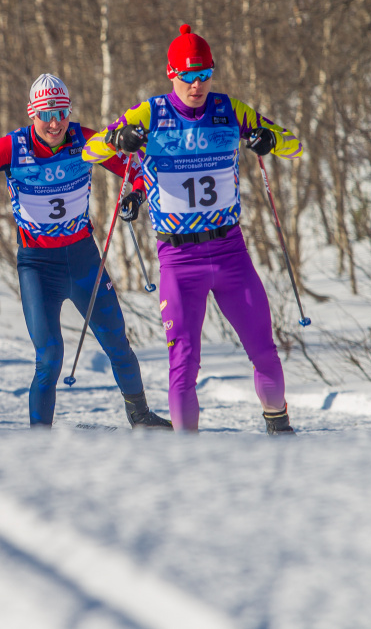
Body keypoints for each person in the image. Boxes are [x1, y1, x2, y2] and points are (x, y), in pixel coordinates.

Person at [83, 25, 303, 435]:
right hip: (179, 259)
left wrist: (267, 139)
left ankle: (279, 427)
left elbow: (294, 145)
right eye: (188, 76)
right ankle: (187, 453)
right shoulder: (150, 112)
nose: (197, 85)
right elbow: (89, 149)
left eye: (204, 75)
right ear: (172, 73)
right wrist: (119, 137)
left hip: (230, 251)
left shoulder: (230, 109)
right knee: (183, 361)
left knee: (264, 350)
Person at [0, 74, 170, 428]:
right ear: (32, 114)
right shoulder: (12, 147)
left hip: (82, 258)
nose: (54, 123)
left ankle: (140, 416)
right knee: (49, 355)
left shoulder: (86, 140)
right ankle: (40, 436)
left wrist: (136, 195)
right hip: (37, 266)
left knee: (117, 341)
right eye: (46, 114)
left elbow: (138, 170)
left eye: (61, 113)